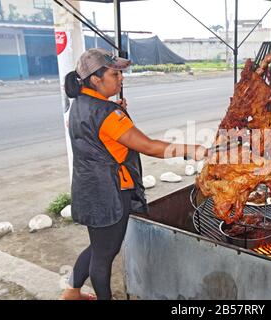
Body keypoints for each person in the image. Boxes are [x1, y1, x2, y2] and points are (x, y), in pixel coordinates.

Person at [59, 48, 208, 300]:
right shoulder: (107, 114)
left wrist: (114, 111)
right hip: (109, 194)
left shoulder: (81, 103)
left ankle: (71, 292)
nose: (121, 78)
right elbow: (149, 146)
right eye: (115, 74)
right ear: (96, 79)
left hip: (88, 188)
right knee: (104, 256)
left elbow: (98, 133)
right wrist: (191, 149)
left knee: (98, 246)